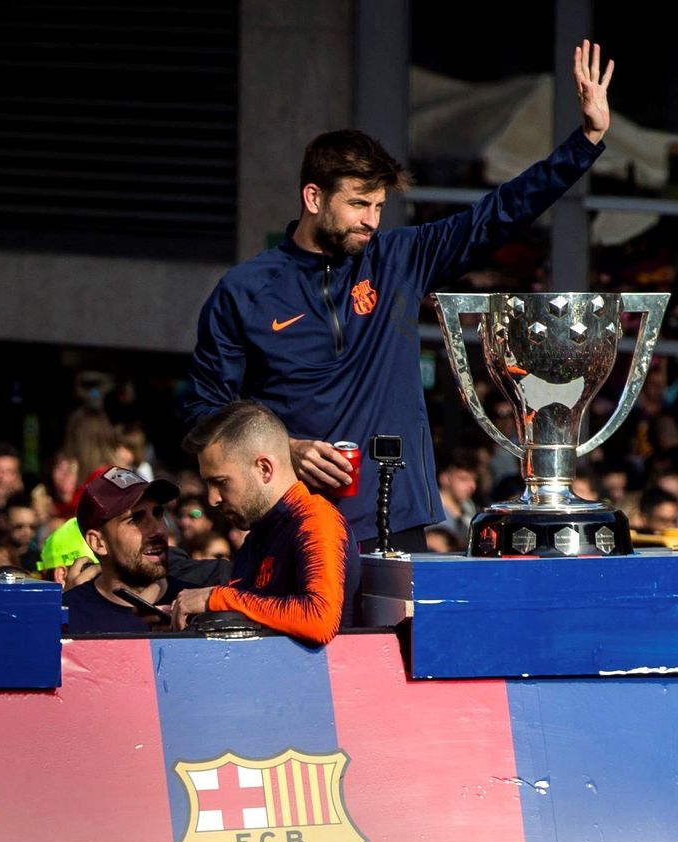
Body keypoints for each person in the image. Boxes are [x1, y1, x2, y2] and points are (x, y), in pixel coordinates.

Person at [183, 42, 616, 551]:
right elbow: (204, 411)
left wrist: (585, 141)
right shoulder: (244, 291)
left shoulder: (399, 259)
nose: (371, 219)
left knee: (392, 635)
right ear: (313, 197)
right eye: (358, 204)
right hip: (294, 521)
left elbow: (497, 214)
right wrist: (286, 450)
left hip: (397, 518)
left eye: (379, 205)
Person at [173, 400, 359, 646]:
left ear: (264, 469)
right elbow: (253, 610)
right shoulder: (260, 532)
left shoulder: (315, 519)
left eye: (221, 482)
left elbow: (320, 619)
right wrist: (200, 616)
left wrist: (215, 599)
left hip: (322, 681)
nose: (213, 498)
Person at [61, 467, 193, 634]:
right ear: (98, 542)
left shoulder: (196, 611)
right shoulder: (64, 620)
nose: (158, 530)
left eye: (158, 513)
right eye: (136, 519)